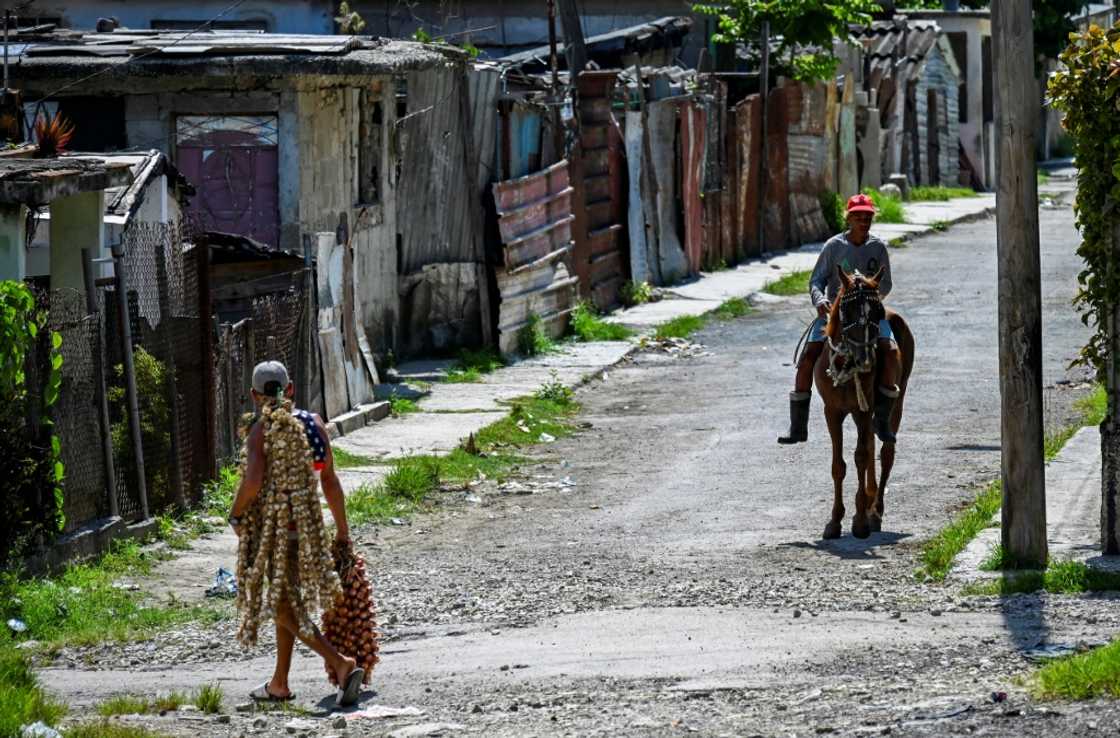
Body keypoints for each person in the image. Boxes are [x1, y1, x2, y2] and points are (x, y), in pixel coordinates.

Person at [229, 360, 365, 706]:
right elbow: (330, 481)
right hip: (308, 534)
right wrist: (342, 532)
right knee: (287, 603)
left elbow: (252, 481)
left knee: (282, 609)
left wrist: (236, 513)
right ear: (289, 389)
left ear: (254, 395)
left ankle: (341, 663)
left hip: (276, 537)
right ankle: (279, 683)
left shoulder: (260, 432)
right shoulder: (314, 424)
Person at [777, 193, 902, 445]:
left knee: (890, 352)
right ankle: (798, 426)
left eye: (867, 217)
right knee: (808, 357)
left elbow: (886, 282)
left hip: (868, 313)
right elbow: (816, 281)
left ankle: (882, 420)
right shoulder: (834, 246)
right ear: (849, 219)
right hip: (835, 312)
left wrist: (871, 299)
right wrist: (820, 300)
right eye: (858, 217)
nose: (863, 222)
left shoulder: (877, 247)